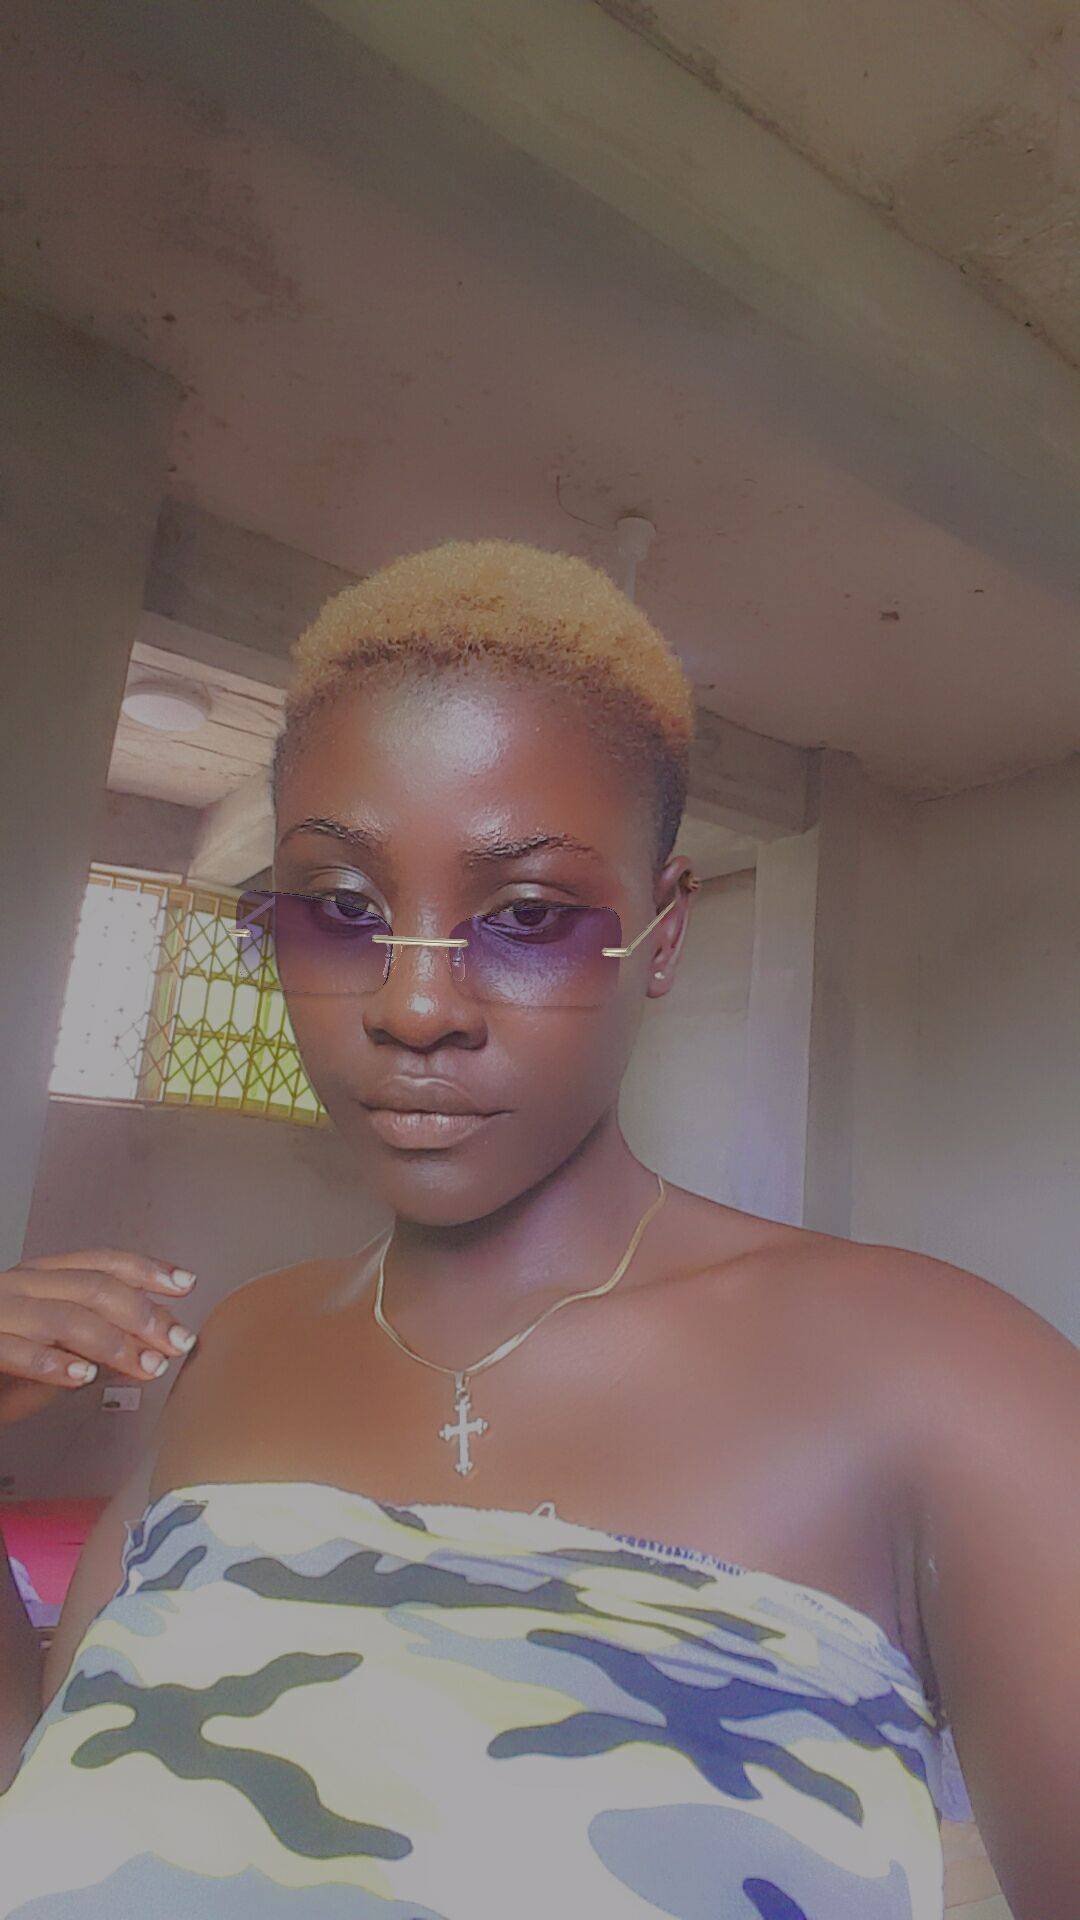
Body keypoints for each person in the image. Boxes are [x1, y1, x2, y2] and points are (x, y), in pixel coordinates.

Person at [0, 540, 1076, 1918]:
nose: (413, 1006)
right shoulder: (229, 1356)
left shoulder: (950, 1386)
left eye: (524, 916)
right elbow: (60, 1800)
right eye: (342, 909)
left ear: (662, 936)